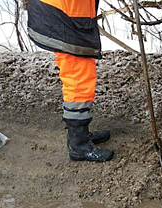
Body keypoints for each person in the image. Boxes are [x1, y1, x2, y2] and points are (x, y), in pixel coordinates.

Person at [27, 0, 113, 162]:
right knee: (78, 78)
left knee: (80, 74)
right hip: (64, 15)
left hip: (69, 13)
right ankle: (78, 144)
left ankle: (80, 134)